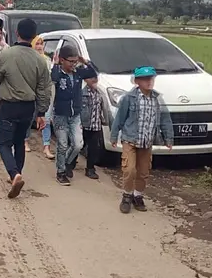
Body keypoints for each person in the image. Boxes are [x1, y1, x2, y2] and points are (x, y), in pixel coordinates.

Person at [0, 19, 51, 199]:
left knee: (4, 143)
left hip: (9, 106)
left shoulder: (7, 54)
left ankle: (14, 174)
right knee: (19, 142)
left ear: (17, 33)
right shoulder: (40, 60)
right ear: (34, 37)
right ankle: (17, 173)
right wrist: (41, 113)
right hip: (28, 108)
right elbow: (44, 89)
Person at [110, 66, 174, 213]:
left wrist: (168, 138)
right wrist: (114, 135)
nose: (149, 82)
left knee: (143, 172)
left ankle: (138, 196)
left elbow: (165, 119)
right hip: (131, 139)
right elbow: (120, 117)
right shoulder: (129, 98)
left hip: (147, 141)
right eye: (145, 79)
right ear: (137, 81)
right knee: (130, 169)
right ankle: (127, 195)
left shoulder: (157, 99)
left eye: (151, 78)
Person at [50, 44, 98, 186]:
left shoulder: (78, 72)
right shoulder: (57, 72)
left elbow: (94, 73)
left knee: (78, 144)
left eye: (75, 61)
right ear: (62, 60)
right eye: (70, 61)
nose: (73, 64)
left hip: (75, 115)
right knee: (63, 144)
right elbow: (51, 79)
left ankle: (66, 163)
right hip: (60, 115)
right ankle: (61, 172)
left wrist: (85, 62)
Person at [27, 36, 54, 158]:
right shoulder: (29, 59)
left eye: (41, 44)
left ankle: (46, 146)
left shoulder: (47, 60)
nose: (39, 46)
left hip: (44, 95)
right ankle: (25, 141)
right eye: (36, 44)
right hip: (31, 94)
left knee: (46, 120)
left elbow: (50, 77)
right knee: (28, 119)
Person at [80, 75, 106, 179]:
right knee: (79, 146)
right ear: (86, 80)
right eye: (91, 78)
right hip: (84, 125)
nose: (94, 80)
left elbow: (104, 109)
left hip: (96, 126)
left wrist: (106, 121)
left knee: (93, 149)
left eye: (96, 78)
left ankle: (90, 168)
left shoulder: (99, 93)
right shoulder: (82, 94)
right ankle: (69, 164)